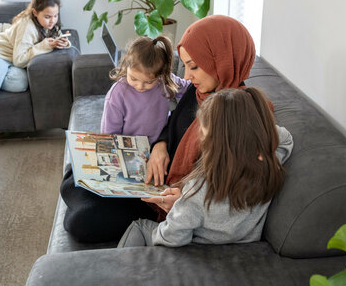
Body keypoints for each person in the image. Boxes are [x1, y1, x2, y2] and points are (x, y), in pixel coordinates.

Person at [60, 15, 269, 243]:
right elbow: (172, 122)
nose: (187, 76)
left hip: (168, 199)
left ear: (223, 61)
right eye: (186, 66)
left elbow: (228, 188)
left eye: (194, 67)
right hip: (152, 172)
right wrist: (160, 145)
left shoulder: (239, 114)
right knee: (75, 173)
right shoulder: (200, 90)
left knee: (80, 221)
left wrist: (182, 198)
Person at [117, 87, 293, 247]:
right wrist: (257, 141)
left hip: (199, 250)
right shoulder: (269, 166)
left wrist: (177, 209)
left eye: (204, 134)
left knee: (138, 227)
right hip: (241, 246)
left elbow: (172, 238)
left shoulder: (197, 191)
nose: (200, 138)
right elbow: (285, 138)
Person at [101, 35, 190, 144]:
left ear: (160, 75)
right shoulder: (117, 94)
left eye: (149, 82)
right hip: (130, 149)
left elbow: (188, 88)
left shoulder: (164, 81)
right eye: (133, 78)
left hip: (160, 143)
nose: (140, 86)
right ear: (126, 66)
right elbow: (109, 133)